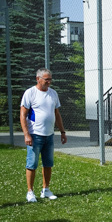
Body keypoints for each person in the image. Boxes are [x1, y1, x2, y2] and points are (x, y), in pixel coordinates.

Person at [20, 68, 67, 203]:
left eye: (50, 79)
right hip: (35, 135)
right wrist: (26, 134)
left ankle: (45, 190)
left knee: (48, 164)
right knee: (32, 164)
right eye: (46, 79)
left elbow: (57, 114)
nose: (49, 82)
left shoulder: (53, 94)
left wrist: (62, 132)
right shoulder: (30, 93)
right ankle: (30, 192)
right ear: (38, 79)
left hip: (49, 135)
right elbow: (23, 115)